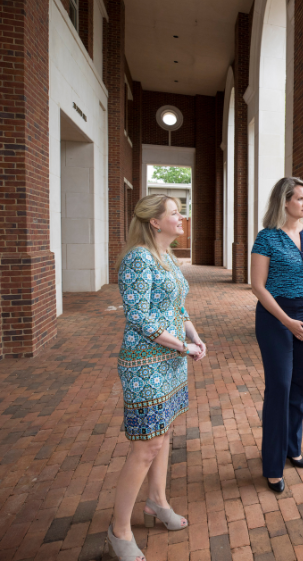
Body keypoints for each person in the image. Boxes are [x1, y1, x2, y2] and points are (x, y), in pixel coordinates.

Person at [107, 194, 207, 561]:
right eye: (175, 213)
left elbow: (177, 308)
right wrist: (182, 346)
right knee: (146, 446)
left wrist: (194, 337)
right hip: (145, 364)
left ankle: (157, 502)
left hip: (172, 360)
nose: (182, 218)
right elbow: (140, 318)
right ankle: (119, 531)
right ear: (155, 222)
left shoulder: (168, 258)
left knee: (164, 433)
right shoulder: (138, 259)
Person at [251, 177, 303, 493]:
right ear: (284, 202)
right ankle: (272, 464)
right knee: (280, 386)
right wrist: (287, 321)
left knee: (299, 385)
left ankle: (292, 447)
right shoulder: (266, 238)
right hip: (275, 318)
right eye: (299, 198)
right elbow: (258, 286)